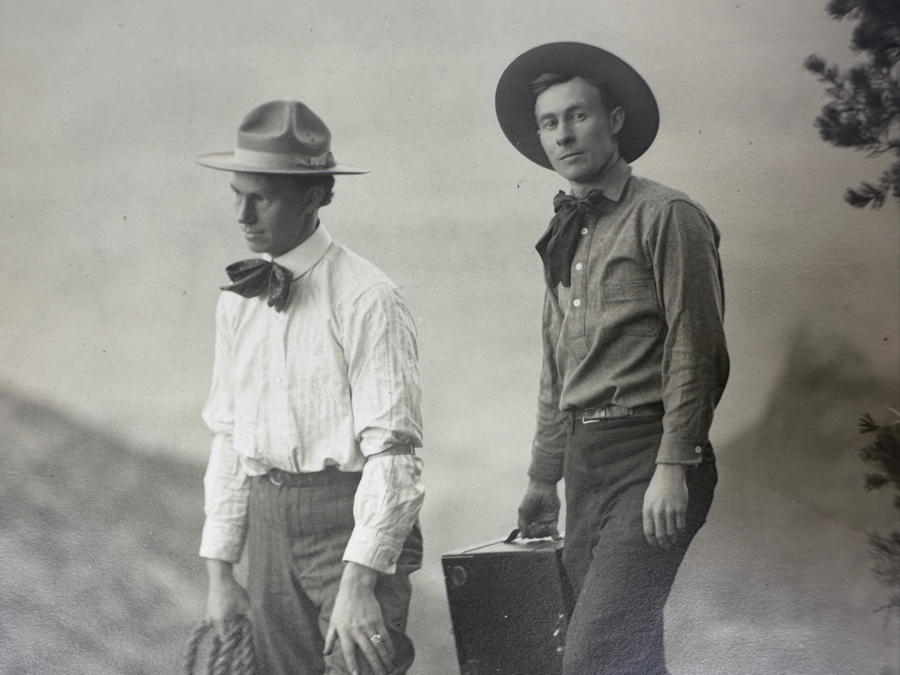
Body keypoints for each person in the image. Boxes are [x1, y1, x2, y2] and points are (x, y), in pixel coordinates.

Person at [495, 43, 730, 674]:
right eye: (550, 122)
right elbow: (557, 369)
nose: (564, 135)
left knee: (594, 657)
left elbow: (694, 347)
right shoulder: (562, 232)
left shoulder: (668, 215)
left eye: (578, 115)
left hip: (651, 458)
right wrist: (543, 479)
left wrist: (674, 463)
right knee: (629, 656)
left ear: (616, 120)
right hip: (585, 466)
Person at [194, 100, 424, 675]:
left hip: (347, 527)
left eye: (262, 198)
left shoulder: (368, 297)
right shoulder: (236, 303)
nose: (244, 215)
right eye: (237, 196)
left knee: (359, 666)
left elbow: (394, 451)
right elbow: (228, 435)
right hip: (268, 526)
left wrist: (359, 582)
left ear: (316, 195)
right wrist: (221, 574)